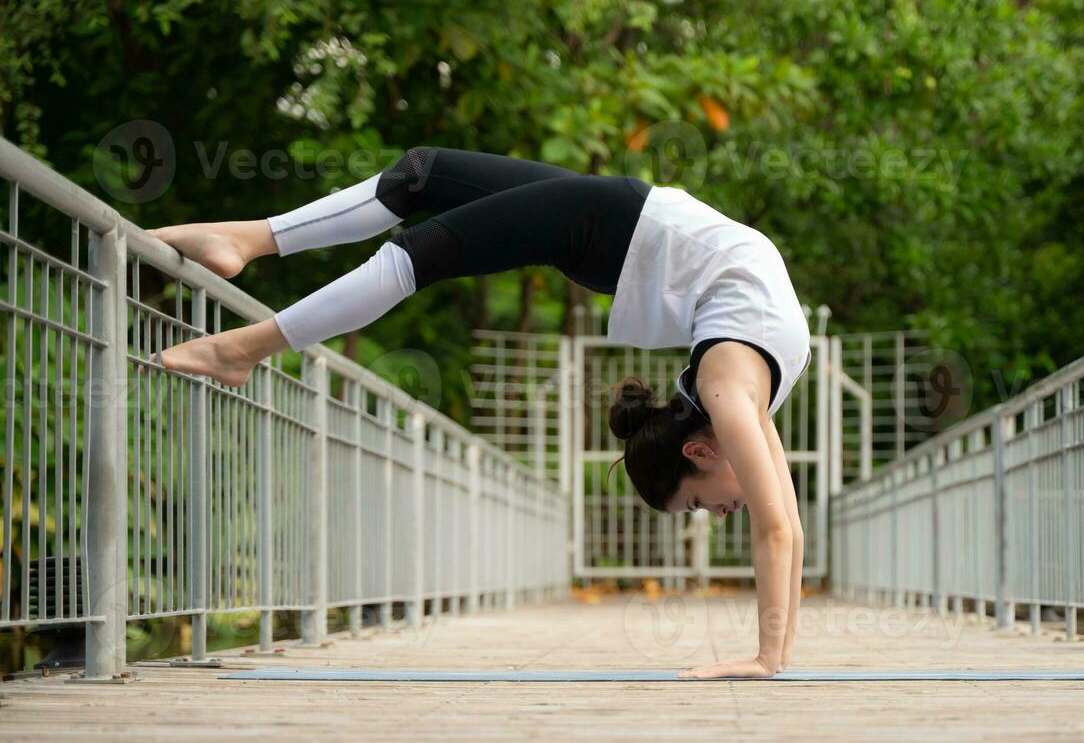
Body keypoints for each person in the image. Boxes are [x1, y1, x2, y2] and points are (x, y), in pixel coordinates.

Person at [149, 147, 811, 679]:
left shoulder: (740, 398)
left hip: (624, 223)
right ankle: (244, 343)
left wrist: (774, 657)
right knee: (416, 227)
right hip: (613, 227)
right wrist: (765, 659)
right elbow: (778, 533)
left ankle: (244, 245)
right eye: (701, 507)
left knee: (422, 180)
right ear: (700, 452)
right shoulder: (728, 394)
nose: (720, 513)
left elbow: (788, 527)